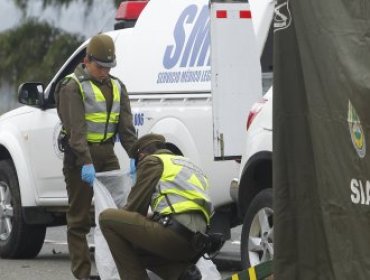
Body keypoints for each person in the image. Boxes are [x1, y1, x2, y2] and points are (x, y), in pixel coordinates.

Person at [54, 33, 137, 280]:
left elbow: (126, 128)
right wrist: (86, 162)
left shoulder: (117, 86)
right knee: (78, 220)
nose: (104, 72)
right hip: (80, 159)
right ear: (86, 60)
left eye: (109, 67)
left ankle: (116, 272)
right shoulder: (72, 87)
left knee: (116, 216)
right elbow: (76, 132)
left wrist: (135, 155)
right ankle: (82, 275)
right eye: (100, 66)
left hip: (107, 154)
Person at [99, 133, 214, 280]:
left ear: (141, 156)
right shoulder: (189, 165)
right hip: (197, 245)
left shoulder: (152, 162)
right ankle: (182, 274)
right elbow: (182, 206)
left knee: (107, 219)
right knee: (139, 248)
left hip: (174, 236)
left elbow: (134, 208)